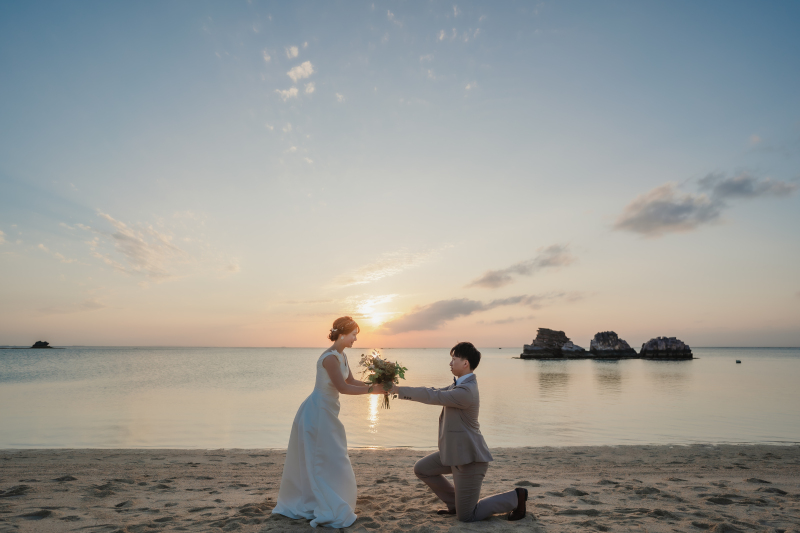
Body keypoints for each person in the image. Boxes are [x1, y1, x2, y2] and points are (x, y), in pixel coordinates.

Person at [386, 341, 529, 522]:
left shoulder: (466, 391)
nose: (450, 363)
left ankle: (516, 497)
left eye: (454, 359)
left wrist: (397, 389)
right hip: (455, 453)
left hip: (470, 460)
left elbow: (433, 396)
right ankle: (454, 503)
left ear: (465, 363)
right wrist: (397, 389)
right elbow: (434, 391)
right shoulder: (458, 385)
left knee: (468, 516)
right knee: (422, 469)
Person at [272, 316, 384, 528]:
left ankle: (331, 496)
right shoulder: (330, 358)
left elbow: (351, 381)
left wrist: (376, 384)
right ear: (342, 334)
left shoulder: (342, 356)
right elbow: (343, 388)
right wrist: (373, 391)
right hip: (318, 412)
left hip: (329, 411)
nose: (355, 339)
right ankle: (325, 501)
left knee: (333, 454)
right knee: (326, 457)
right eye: (353, 335)